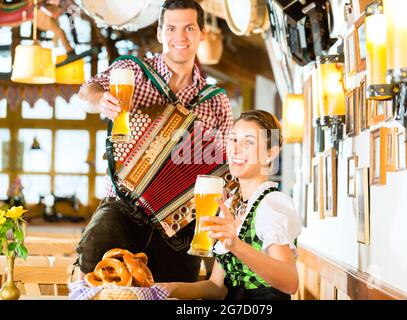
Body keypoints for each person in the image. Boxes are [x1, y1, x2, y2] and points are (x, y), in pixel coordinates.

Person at [75, 0, 233, 282]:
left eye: (188, 28)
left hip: (181, 225)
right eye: (171, 28)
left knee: (173, 294)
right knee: (96, 283)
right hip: (121, 210)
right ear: (160, 33)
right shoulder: (132, 71)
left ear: (202, 34)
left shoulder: (216, 101)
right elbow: (86, 92)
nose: (180, 37)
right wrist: (100, 99)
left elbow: (226, 169)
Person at [159, 110, 301, 300]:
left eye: (248, 142)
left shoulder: (271, 204)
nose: (236, 149)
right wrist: (161, 289)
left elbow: (290, 282)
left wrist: (236, 244)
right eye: (233, 139)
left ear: (269, 153)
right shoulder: (232, 205)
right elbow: (216, 287)